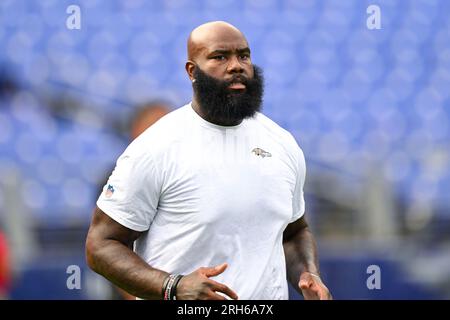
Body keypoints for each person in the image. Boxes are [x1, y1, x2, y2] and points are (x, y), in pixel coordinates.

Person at [86, 21, 331, 300]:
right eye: (220, 57)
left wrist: (308, 273)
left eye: (244, 55)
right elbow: (101, 245)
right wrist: (173, 286)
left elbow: (293, 232)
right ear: (192, 71)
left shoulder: (282, 143)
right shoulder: (154, 148)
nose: (236, 65)